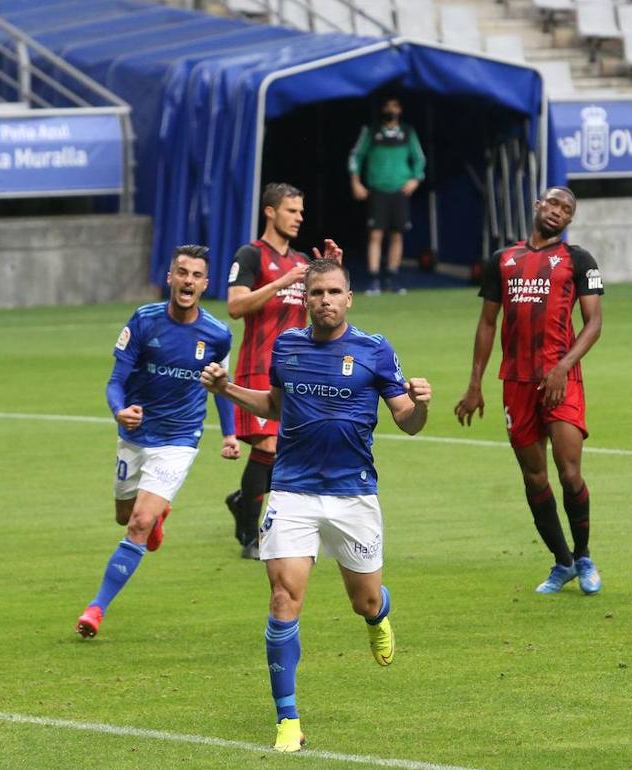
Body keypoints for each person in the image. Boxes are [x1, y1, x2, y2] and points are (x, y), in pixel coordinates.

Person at [200, 258, 432, 753]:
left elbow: (408, 422)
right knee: (284, 599)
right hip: (292, 490)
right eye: (316, 293)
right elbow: (275, 407)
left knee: (363, 599)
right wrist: (228, 390)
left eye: (333, 292)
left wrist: (422, 402)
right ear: (305, 299)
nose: (324, 300)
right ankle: (288, 719)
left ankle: (377, 617)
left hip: (354, 494)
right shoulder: (287, 346)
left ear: (349, 298)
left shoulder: (375, 350)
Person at [75, 245, 239, 639]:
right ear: (170, 277)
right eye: (181, 272)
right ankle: (157, 515)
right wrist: (119, 411)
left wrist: (231, 434)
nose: (188, 281)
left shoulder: (217, 335)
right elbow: (116, 381)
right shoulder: (144, 321)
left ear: (205, 284)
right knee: (123, 515)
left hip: (180, 438)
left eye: (196, 275)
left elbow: (220, 387)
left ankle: (96, 608)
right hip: (135, 434)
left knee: (137, 523)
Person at [453, 187, 604, 596]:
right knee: (534, 476)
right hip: (516, 382)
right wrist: (474, 385)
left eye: (566, 209)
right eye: (552, 204)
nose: (557, 212)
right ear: (538, 205)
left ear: (570, 219)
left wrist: (564, 367)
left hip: (561, 379)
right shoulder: (503, 260)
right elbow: (487, 323)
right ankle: (563, 562)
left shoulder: (579, 260)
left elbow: (593, 323)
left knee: (569, 472)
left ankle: (585, 555)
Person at [223, 182, 343, 560]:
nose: (299, 218)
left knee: (292, 450)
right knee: (268, 445)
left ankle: (244, 500)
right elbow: (235, 306)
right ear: (270, 212)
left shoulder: (300, 264)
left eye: (301, 212)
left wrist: (331, 270)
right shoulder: (252, 255)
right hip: (258, 368)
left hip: (298, 371)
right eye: (292, 211)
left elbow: (327, 311)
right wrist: (278, 283)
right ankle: (249, 536)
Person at [348, 94, 426, 296]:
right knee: (375, 234)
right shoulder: (371, 131)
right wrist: (356, 182)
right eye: (388, 106)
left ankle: (393, 276)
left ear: (400, 110)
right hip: (378, 189)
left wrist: (415, 179)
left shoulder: (408, 132)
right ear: (382, 110)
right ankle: (374, 279)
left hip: (399, 190)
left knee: (397, 235)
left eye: (395, 106)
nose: (391, 110)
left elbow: (419, 158)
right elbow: (356, 155)